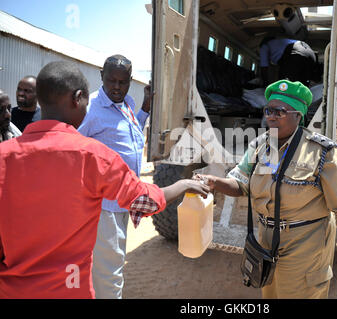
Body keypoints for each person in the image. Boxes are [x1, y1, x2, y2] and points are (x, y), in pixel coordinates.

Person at [0, 61, 209, 299]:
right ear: (77, 98)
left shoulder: (4, 156)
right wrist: (183, 184)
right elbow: (144, 202)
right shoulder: (94, 156)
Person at [195, 80, 337, 299]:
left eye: (279, 111)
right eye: (268, 110)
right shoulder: (260, 146)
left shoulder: (322, 153)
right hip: (266, 241)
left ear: (298, 115)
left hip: (305, 245)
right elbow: (241, 184)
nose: (271, 116)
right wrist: (213, 182)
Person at [77, 54, 154, 299]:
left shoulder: (127, 105)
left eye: (123, 82)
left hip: (123, 201)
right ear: (101, 76)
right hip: (103, 205)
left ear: (130, 81)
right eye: (112, 81)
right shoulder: (90, 108)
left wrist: (144, 110)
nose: (117, 87)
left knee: (112, 262)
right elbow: (71, 147)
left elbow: (132, 137)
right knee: (109, 273)